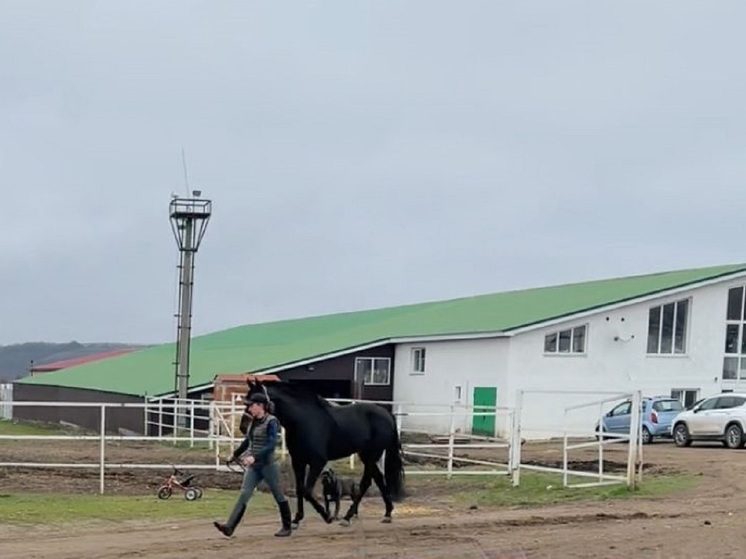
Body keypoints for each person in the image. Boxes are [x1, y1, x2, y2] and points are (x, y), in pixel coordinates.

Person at [213, 392, 292, 538]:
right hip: (254, 467)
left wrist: (254, 457)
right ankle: (230, 527)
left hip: (268, 465)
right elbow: (248, 441)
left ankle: (287, 526)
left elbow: (271, 444)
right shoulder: (253, 422)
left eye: (251, 406)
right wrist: (235, 454)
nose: (249, 409)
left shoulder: (272, 421)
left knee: (278, 494)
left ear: (260, 406)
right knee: (244, 494)